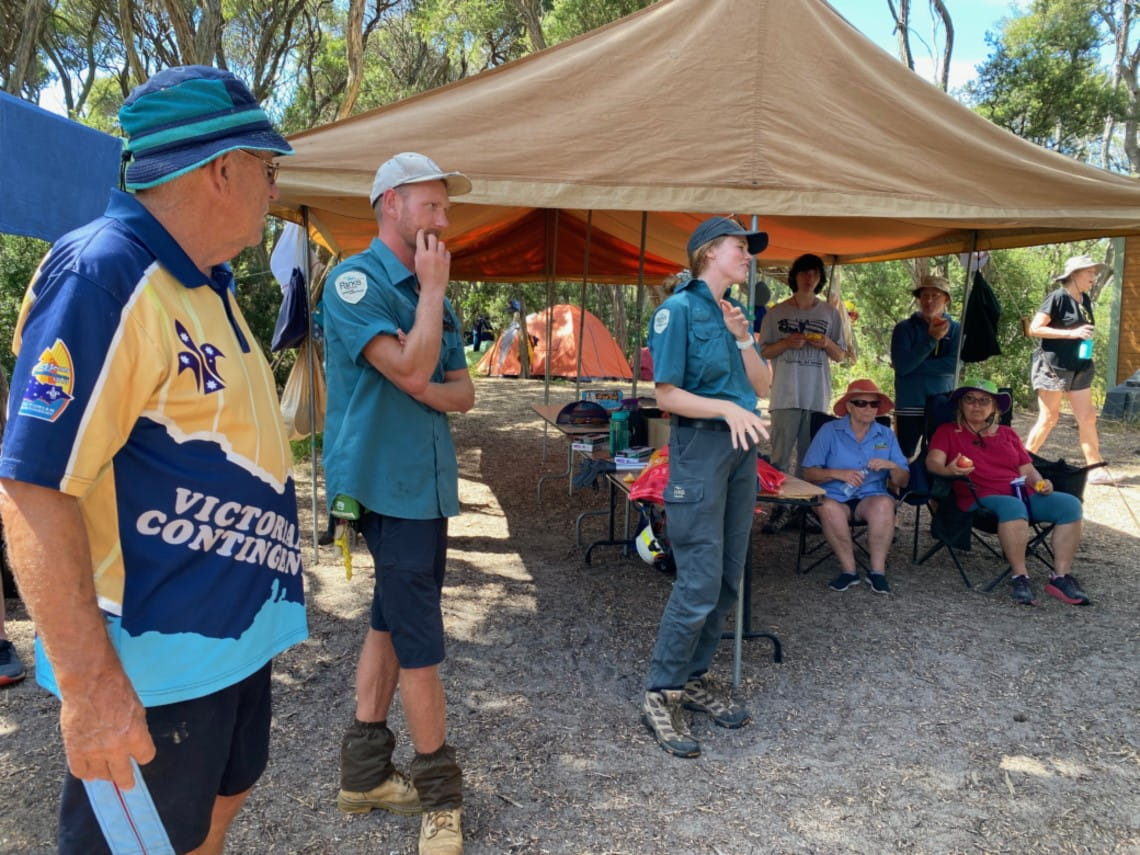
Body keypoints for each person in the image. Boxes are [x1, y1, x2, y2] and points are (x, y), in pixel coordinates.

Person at [0, 66, 307, 853]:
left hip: (230, 649)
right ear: (220, 169)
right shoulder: (104, 272)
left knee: (211, 818)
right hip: (150, 671)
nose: (274, 190)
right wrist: (91, 684)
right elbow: (32, 485)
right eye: (267, 170)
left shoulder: (211, 281)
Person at [322, 152, 474, 855]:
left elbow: (459, 392)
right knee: (418, 641)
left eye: (446, 208)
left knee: (388, 620)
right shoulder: (356, 281)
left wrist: (420, 371)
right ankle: (440, 797)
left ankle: (364, 776)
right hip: (385, 485)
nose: (444, 221)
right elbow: (418, 367)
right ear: (391, 204)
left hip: (426, 482)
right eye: (433, 207)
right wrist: (431, 300)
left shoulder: (429, 283)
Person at [640, 216, 771, 759]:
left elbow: (763, 385)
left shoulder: (732, 315)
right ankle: (660, 692)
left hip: (742, 451)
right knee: (697, 577)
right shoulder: (677, 310)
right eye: (740, 248)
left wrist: (744, 338)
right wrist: (721, 407)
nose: (747, 256)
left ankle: (693, 681)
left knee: (728, 576)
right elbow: (666, 394)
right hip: (699, 448)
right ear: (709, 252)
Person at [926, 379, 1089, 606]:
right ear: (960, 405)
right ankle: (1019, 576)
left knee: (1070, 505)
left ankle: (1060, 577)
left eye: (984, 401)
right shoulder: (948, 432)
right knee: (1013, 507)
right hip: (979, 497)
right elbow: (932, 462)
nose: (977, 405)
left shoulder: (1007, 434)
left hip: (1020, 493)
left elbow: (1027, 469)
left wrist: (1042, 483)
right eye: (970, 400)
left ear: (994, 407)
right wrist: (948, 470)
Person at [802, 380, 910, 594]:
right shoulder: (829, 431)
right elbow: (808, 474)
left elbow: (903, 481)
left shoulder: (886, 435)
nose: (868, 408)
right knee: (828, 508)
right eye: (861, 403)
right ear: (849, 406)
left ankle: (877, 572)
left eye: (873, 404)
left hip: (871, 495)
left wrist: (892, 466)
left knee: (884, 505)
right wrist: (837, 473)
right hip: (833, 495)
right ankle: (849, 571)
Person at [1025, 254, 1112, 484]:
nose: (1094, 276)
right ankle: (1021, 463)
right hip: (1054, 366)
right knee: (1049, 418)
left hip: (1080, 365)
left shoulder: (1084, 300)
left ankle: (1095, 468)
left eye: (1094, 272)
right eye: (1089, 272)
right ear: (1074, 274)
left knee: (1088, 417)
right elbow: (1034, 329)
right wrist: (1071, 334)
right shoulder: (1057, 297)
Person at [759, 253, 847, 478]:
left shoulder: (830, 313)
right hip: (784, 395)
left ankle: (802, 508)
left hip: (816, 395)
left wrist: (826, 343)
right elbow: (763, 351)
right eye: (804, 272)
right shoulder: (776, 312)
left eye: (815, 273)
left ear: (820, 279)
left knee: (811, 459)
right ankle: (780, 507)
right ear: (794, 277)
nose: (809, 278)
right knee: (780, 457)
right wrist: (786, 342)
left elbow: (841, 356)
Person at [891, 274, 961, 459]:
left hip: (942, 402)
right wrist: (931, 339)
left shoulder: (955, 329)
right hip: (909, 403)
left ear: (946, 299)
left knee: (939, 455)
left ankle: (932, 488)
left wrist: (914, 362)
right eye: (924, 295)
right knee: (903, 456)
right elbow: (902, 366)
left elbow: (953, 365)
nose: (929, 301)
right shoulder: (904, 328)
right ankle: (903, 488)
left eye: (935, 295)